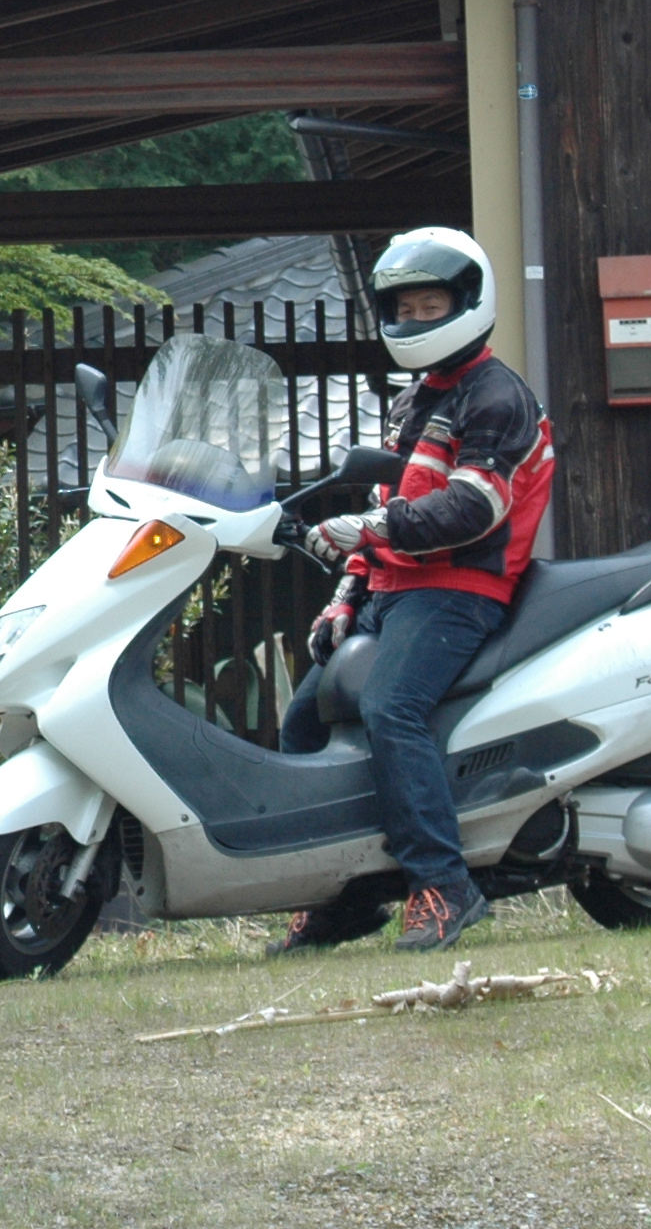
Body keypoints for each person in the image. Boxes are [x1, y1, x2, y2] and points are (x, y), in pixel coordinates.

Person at [268, 227, 554, 957]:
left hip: (458, 588)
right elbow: (389, 510)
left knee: (391, 709)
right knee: (303, 722)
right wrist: (345, 596)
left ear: (468, 303)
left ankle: (444, 885)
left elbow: (472, 508)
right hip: (394, 586)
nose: (417, 319)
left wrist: (364, 529)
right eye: (406, 307)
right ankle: (339, 898)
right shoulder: (411, 401)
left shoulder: (498, 395)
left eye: (432, 305)